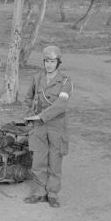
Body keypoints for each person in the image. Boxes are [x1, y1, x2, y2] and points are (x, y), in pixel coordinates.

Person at [23, 45, 73, 208]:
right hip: (38, 125)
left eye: (52, 61)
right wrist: (29, 113)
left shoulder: (66, 81)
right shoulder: (37, 78)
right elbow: (28, 98)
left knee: (55, 160)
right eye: (46, 61)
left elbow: (61, 104)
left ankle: (52, 194)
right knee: (38, 160)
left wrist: (41, 116)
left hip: (56, 125)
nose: (49, 65)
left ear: (58, 62)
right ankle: (39, 192)